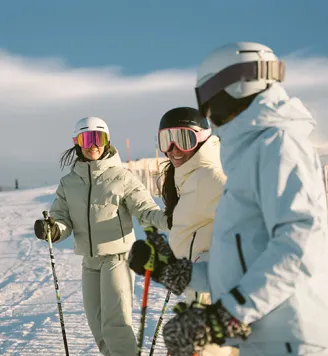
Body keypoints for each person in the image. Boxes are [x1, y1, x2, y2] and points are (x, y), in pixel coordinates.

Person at [128, 42, 328, 356]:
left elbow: (300, 244)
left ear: (235, 86)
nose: (207, 110)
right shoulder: (251, 154)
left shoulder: (279, 143)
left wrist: (225, 316)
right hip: (263, 337)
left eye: (207, 96)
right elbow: (238, 266)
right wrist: (175, 271)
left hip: (292, 337)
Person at [34, 116, 168, 356]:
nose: (93, 144)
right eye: (87, 138)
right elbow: (62, 220)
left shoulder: (121, 177)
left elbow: (146, 210)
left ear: (107, 141)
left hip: (117, 258)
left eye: (99, 138)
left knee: (115, 323)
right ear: (77, 142)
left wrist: (172, 220)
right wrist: (53, 230)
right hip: (90, 261)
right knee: (97, 324)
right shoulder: (69, 183)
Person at [157, 107, 230, 356]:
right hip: (197, 291)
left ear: (201, 139)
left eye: (184, 138)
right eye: (166, 140)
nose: (174, 148)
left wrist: (210, 258)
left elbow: (250, 226)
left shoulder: (212, 177)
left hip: (210, 297)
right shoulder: (188, 178)